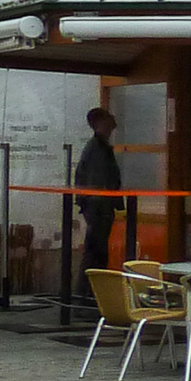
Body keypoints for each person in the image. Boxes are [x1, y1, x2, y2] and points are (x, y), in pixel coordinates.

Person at [75, 108, 121, 295]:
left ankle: (90, 296)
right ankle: (87, 296)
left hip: (98, 206)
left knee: (96, 253)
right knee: (95, 253)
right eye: (109, 118)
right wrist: (102, 205)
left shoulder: (99, 147)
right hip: (98, 207)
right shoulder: (97, 149)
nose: (113, 121)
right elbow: (98, 181)